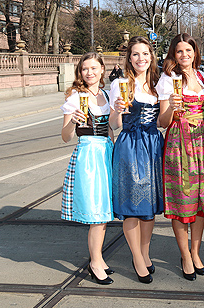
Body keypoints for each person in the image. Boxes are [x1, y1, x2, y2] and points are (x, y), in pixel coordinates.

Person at [157, 33, 204, 281]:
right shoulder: (168, 80)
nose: (184, 55)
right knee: (183, 200)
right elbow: (162, 122)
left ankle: (195, 252)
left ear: (195, 52)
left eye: (188, 51)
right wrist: (172, 106)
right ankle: (184, 256)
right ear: (174, 53)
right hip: (179, 141)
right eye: (179, 51)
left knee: (201, 200)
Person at [109, 36, 162, 284]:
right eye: (135, 54)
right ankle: (137, 259)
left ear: (151, 56)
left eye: (145, 54)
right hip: (130, 144)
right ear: (129, 58)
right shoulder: (120, 84)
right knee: (132, 205)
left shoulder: (159, 83)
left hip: (153, 145)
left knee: (149, 207)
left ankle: (146, 253)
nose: (141, 58)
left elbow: (162, 121)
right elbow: (113, 125)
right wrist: (117, 110)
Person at [60, 52, 114, 285]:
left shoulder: (107, 94)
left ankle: (99, 259)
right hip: (89, 155)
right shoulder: (75, 97)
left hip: (106, 152)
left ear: (102, 69)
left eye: (93, 68)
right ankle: (94, 262)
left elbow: (111, 128)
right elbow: (64, 137)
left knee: (104, 211)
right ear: (80, 72)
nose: (89, 73)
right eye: (85, 69)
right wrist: (72, 121)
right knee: (96, 214)